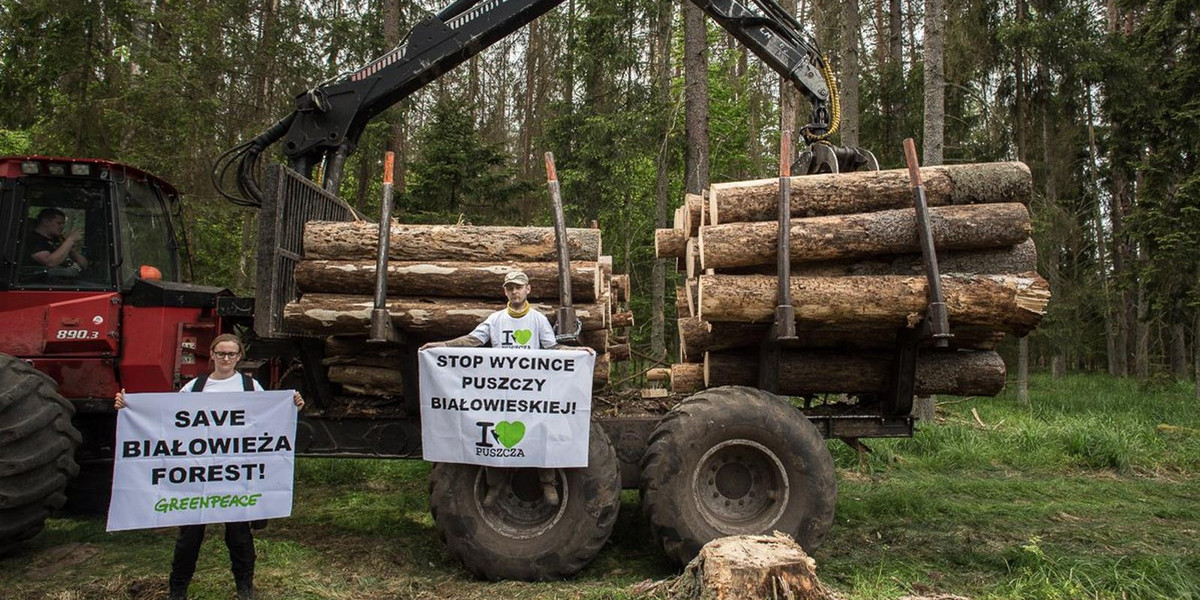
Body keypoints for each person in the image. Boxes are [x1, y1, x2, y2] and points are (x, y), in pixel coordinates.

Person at [115, 333, 304, 600]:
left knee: (239, 536)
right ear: (212, 355)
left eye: (231, 354)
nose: (226, 359)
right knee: (189, 538)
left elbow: (269, 420)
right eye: (221, 353)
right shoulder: (195, 387)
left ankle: (245, 589)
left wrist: (292, 405)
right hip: (197, 478)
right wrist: (128, 405)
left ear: (239, 357)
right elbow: (166, 419)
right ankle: (178, 590)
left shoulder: (251, 388)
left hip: (235, 478)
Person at [421, 270, 593, 507]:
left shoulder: (537, 320)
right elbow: (473, 341)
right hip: (500, 393)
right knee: (493, 437)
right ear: (505, 291)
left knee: (541, 432)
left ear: (528, 289)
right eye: (510, 288)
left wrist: (576, 353)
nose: (515, 291)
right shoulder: (495, 320)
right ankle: (495, 485)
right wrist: (443, 346)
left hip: (532, 393)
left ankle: (547, 482)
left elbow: (552, 347)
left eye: (519, 287)